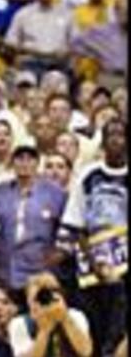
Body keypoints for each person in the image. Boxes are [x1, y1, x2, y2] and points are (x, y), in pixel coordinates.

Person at [55, 118, 126, 357]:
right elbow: (75, 224)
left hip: (125, 269)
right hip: (92, 269)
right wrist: (94, 261)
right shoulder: (89, 175)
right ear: (102, 142)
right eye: (110, 135)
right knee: (95, 336)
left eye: (120, 134)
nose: (115, 140)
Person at [0, 144, 67, 293]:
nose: (25, 163)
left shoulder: (55, 194)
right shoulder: (0, 192)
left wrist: (60, 252)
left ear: (37, 163)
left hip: (41, 271)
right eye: (20, 159)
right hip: (5, 270)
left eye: (30, 159)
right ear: (13, 163)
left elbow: (69, 225)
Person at [7, 273, 93, 357]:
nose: (42, 303)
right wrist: (44, 331)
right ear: (28, 301)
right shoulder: (19, 324)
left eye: (46, 297)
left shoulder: (75, 316)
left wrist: (65, 318)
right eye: (37, 299)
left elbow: (86, 352)